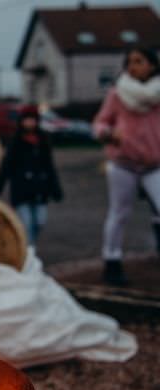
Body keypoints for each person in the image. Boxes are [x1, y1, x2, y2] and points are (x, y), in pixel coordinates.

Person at [94, 46, 160, 286]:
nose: (133, 66)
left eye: (139, 61)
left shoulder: (158, 95)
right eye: (130, 62)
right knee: (119, 213)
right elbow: (100, 123)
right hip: (123, 163)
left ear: (152, 65)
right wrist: (108, 133)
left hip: (154, 163)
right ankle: (112, 262)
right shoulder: (117, 94)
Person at [0, 105, 63, 246]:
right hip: (21, 191)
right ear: (21, 121)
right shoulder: (16, 143)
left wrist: (56, 190)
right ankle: (30, 253)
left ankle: (30, 247)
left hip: (40, 191)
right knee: (26, 224)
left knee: (39, 221)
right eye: (27, 120)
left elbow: (49, 167)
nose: (30, 123)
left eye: (32, 120)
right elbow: (6, 167)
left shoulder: (43, 141)